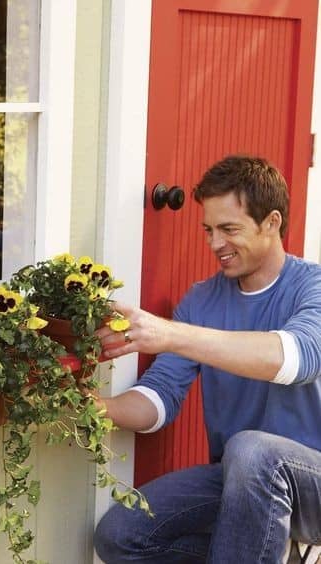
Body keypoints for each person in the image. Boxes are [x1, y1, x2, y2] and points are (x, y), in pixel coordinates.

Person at [93, 155, 321, 564]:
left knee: (252, 449)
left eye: (229, 229)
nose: (216, 244)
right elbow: (159, 398)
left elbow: (296, 358)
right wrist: (93, 409)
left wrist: (169, 333)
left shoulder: (313, 287)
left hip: (312, 478)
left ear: (271, 222)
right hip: (240, 476)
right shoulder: (200, 301)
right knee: (120, 535)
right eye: (209, 230)